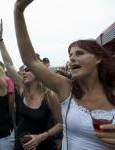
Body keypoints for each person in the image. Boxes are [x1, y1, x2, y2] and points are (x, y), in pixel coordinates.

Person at [14, 0, 115, 149]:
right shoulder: (67, 89)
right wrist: (18, 11)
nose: (72, 58)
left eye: (80, 53)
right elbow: (31, 60)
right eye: (70, 55)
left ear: (98, 58)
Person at [0, 19, 62, 150]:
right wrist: (0, 39)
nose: (23, 72)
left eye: (28, 69)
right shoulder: (22, 88)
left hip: (42, 145)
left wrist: (41, 136)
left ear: (38, 71)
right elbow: (8, 64)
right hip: (21, 145)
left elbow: (61, 123)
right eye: (23, 70)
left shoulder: (49, 95)